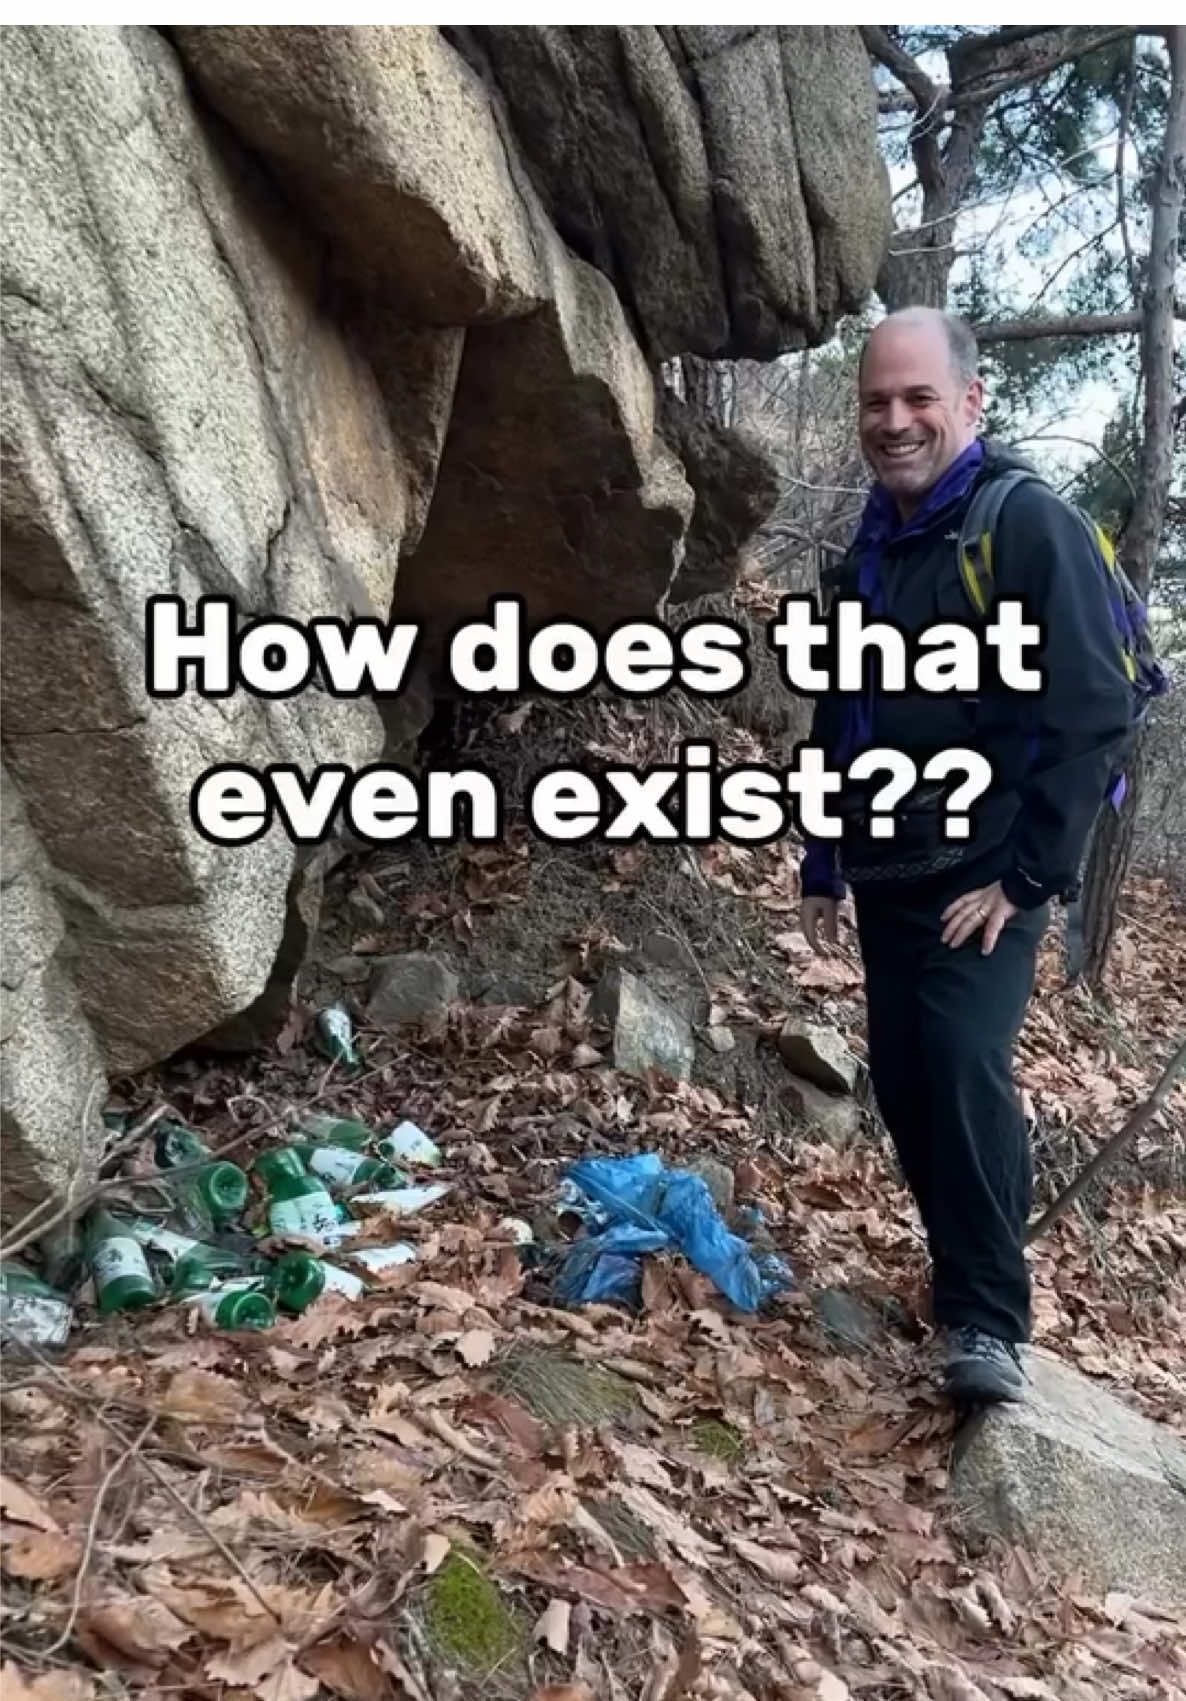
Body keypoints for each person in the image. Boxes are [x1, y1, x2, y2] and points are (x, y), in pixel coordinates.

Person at [799, 307, 1132, 1404]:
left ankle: (989, 1320)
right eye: (876, 403)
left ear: (970, 403)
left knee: (958, 1056)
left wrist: (1029, 877)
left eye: (917, 399)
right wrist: (820, 854)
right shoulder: (870, 542)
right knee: (901, 1077)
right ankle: (960, 1279)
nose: (894, 422)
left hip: (988, 873)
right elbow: (836, 699)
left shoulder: (1025, 526)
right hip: (891, 867)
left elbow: (1092, 712)